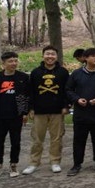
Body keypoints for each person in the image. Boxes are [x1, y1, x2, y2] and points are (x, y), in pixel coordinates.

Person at [65, 48, 95, 176]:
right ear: (85, 58)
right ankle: (77, 164)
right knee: (79, 141)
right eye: (93, 56)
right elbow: (68, 90)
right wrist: (77, 99)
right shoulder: (76, 73)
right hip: (81, 114)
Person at [23, 45, 69, 175]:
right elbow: (31, 92)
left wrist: (66, 106)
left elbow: (67, 91)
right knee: (37, 139)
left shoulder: (63, 72)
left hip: (57, 110)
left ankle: (55, 162)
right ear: (43, 56)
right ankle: (33, 163)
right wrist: (31, 108)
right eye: (47, 54)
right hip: (39, 110)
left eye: (53, 54)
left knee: (56, 138)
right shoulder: (35, 72)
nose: (50, 56)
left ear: (56, 56)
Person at [0, 51, 29, 178]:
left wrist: (24, 113)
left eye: (16, 61)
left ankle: (13, 164)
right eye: (10, 61)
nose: (14, 63)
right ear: (3, 63)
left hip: (16, 115)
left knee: (15, 141)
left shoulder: (23, 77)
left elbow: (26, 96)